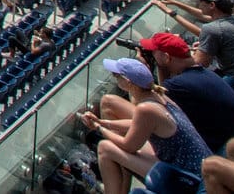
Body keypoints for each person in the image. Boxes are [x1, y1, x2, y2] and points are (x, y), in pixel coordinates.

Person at [80, 55, 211, 194]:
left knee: (105, 148)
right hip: (193, 167)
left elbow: (128, 146)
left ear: (128, 82)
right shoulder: (158, 95)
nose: (114, 78)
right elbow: (137, 124)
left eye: (116, 76)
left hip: (188, 179)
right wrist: (104, 122)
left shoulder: (146, 109)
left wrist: (98, 128)